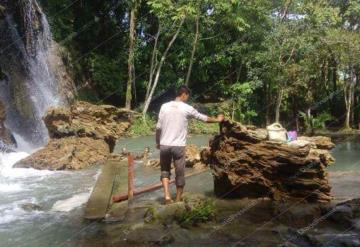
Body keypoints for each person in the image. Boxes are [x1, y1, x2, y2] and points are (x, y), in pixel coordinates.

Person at [155, 85, 224, 204]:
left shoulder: (164, 106)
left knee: (165, 171)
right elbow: (203, 118)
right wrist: (217, 120)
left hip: (164, 145)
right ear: (184, 94)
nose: (187, 98)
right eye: (187, 96)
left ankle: (167, 196)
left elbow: (158, 128)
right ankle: (177, 200)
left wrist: (158, 142)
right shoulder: (187, 108)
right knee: (180, 173)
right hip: (178, 146)